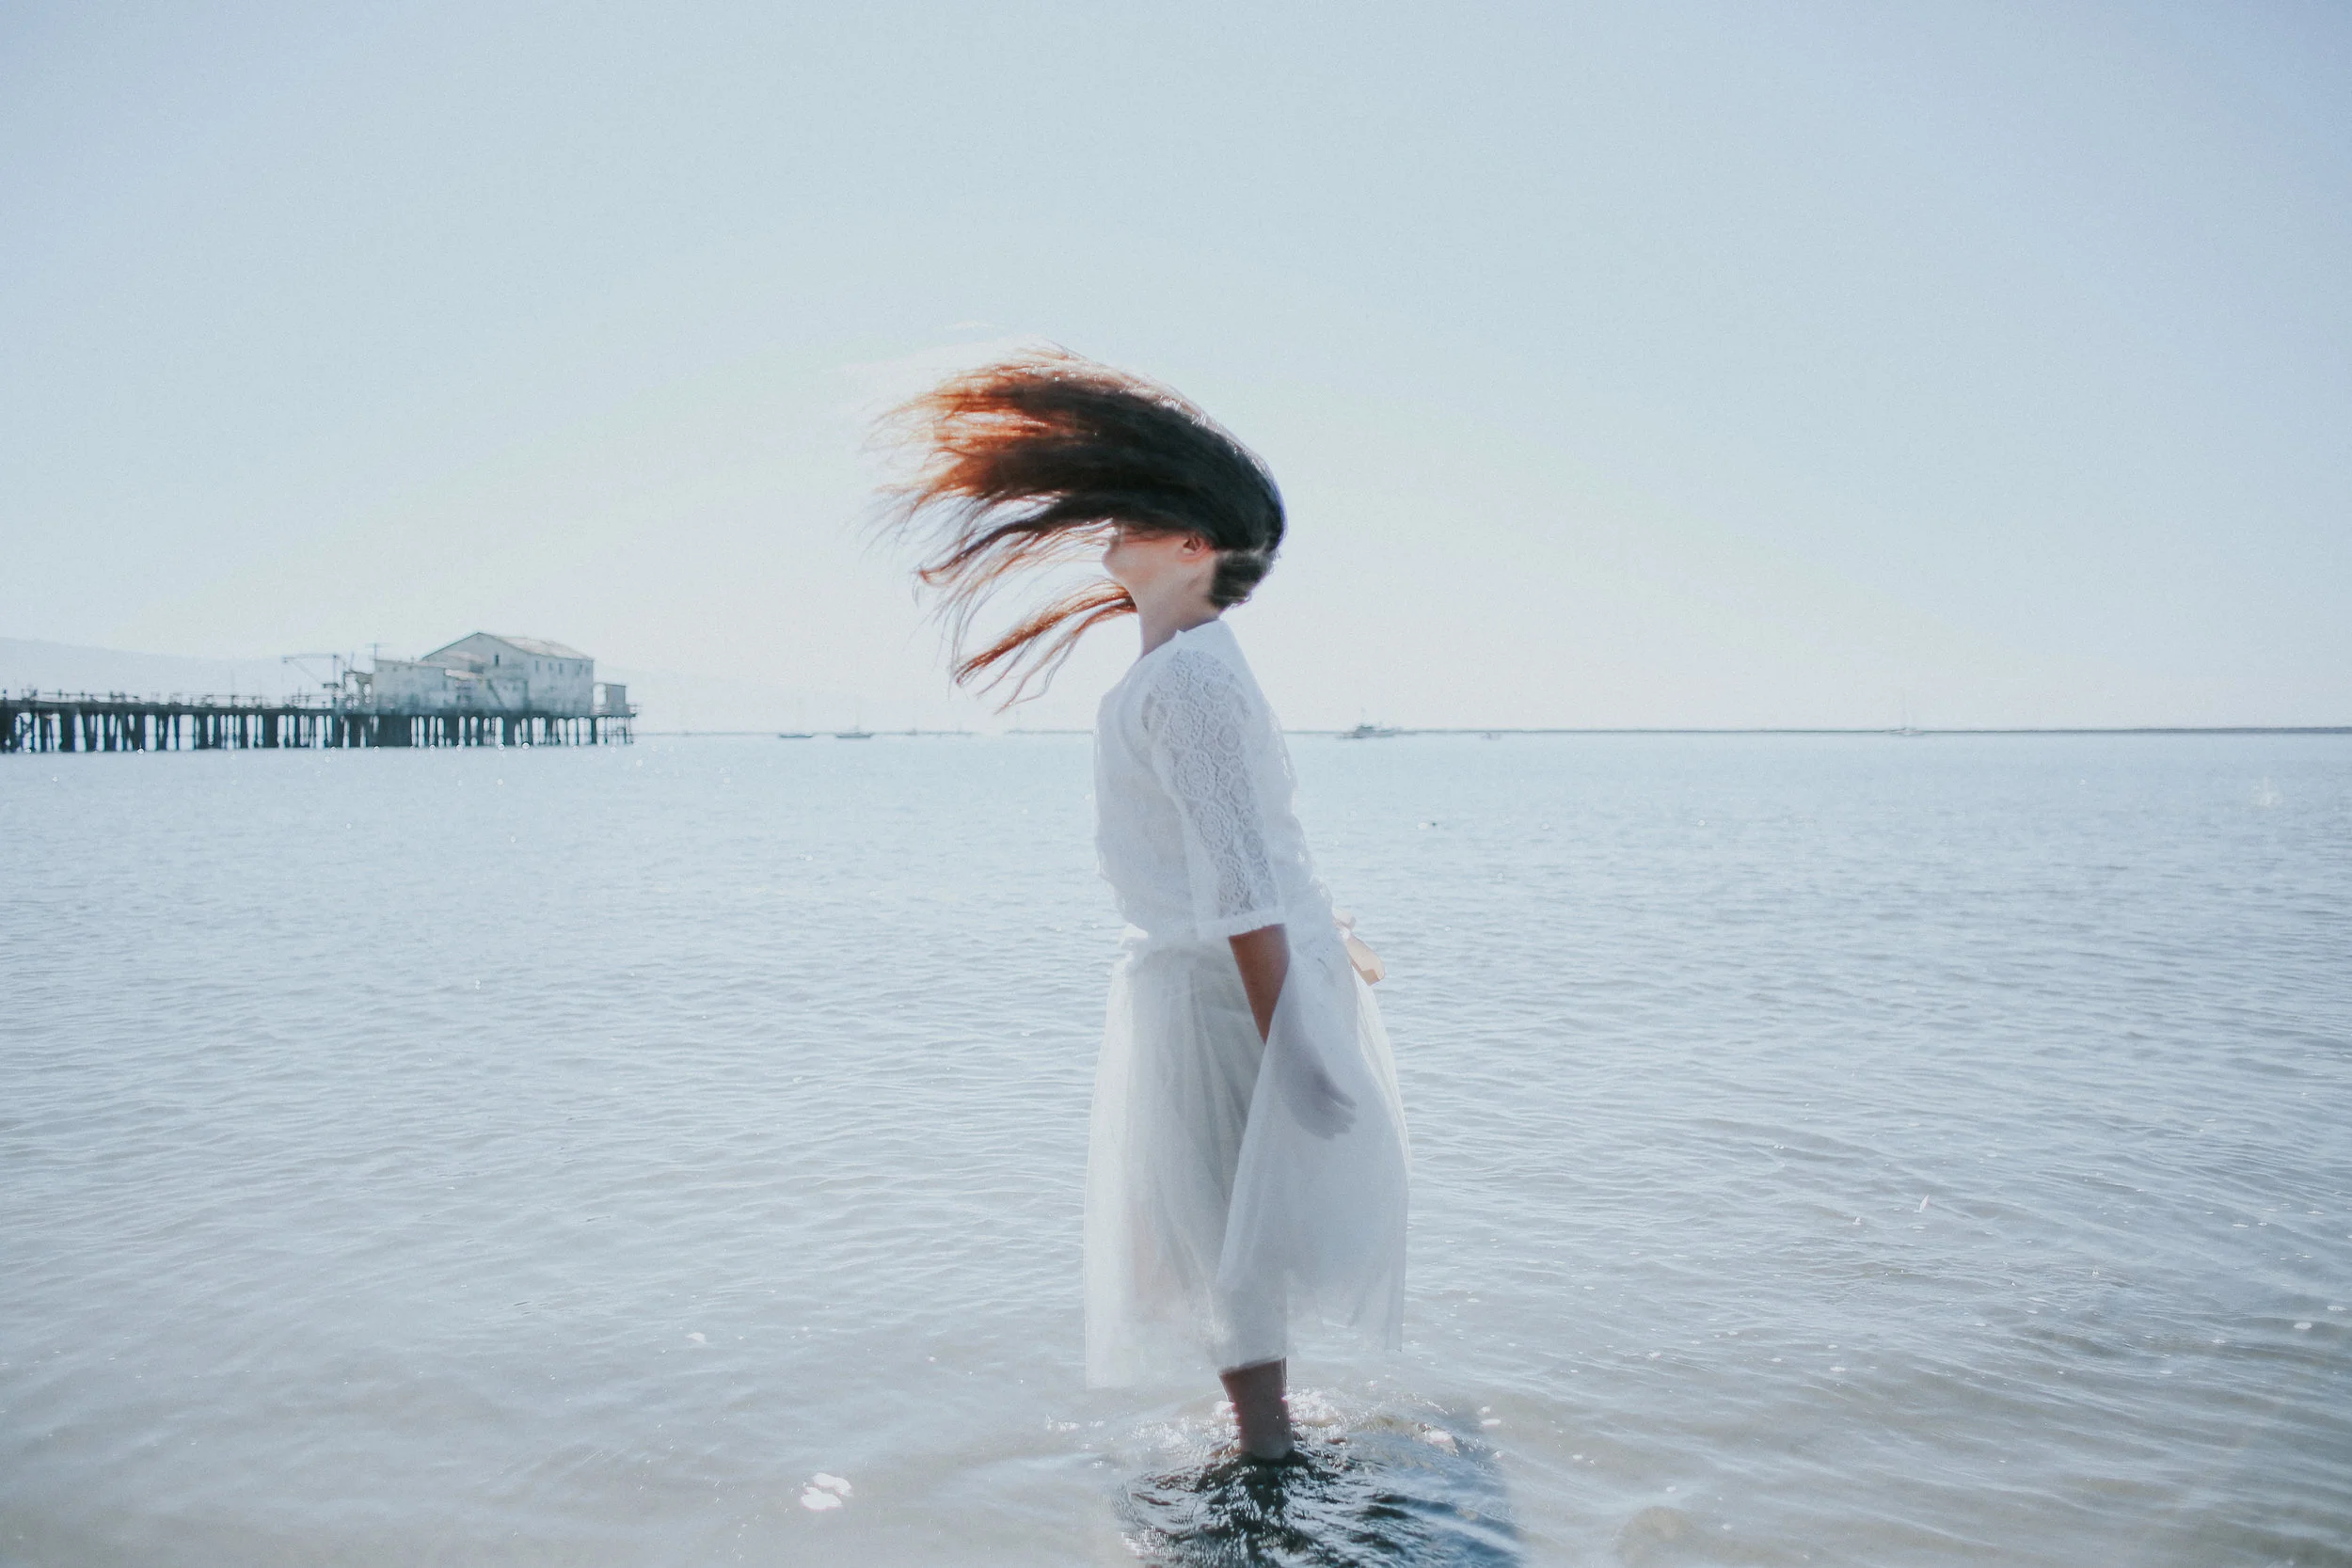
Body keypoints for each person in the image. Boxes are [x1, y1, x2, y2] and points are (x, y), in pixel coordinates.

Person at [879, 351, 1408, 1462]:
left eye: (1140, 510)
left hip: (1227, 983)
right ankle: (1265, 1448)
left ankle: (1264, 1455)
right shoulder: (1182, 665)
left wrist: (1293, 1043)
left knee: (1227, 1232)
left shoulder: (1190, 677)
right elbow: (1252, 852)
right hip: (1218, 972)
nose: (1109, 524)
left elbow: (1241, 879)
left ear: (1192, 546)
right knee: (1225, 1230)